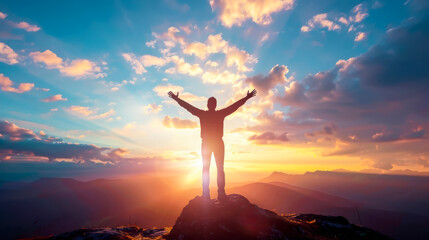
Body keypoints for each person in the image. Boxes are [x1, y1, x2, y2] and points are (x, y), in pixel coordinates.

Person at [168, 89, 257, 200]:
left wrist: (177, 99)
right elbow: (234, 106)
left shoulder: (203, 114)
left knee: (209, 169)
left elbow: (188, 107)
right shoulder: (219, 114)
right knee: (217, 168)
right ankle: (218, 193)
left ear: (210, 105)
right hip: (215, 143)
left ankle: (209, 194)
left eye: (212, 103)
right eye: (212, 103)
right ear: (212, 105)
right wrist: (246, 98)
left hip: (208, 143)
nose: (212, 105)